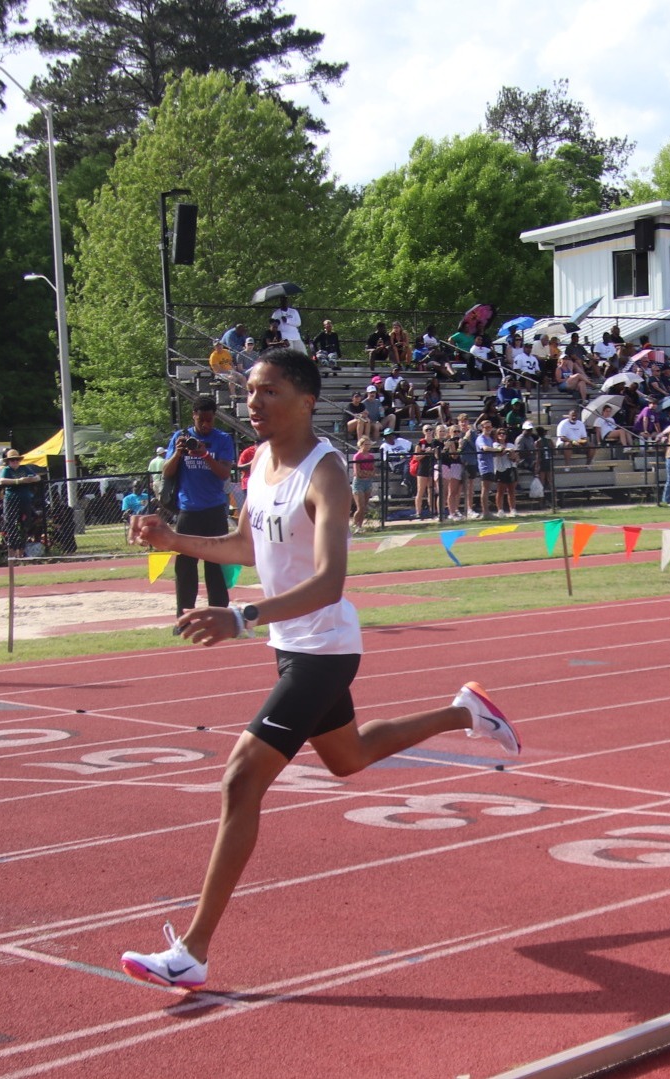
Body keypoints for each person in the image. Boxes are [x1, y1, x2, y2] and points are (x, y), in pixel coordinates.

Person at [119, 347, 519, 990]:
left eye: (269, 391)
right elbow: (245, 545)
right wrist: (174, 541)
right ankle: (463, 712)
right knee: (348, 757)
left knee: (240, 779)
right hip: (291, 644)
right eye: (250, 390)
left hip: (325, 648)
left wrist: (242, 616)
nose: (253, 402)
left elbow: (331, 582)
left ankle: (193, 950)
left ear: (306, 400)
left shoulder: (326, 472)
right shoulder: (258, 463)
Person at [163, 396, 237, 616]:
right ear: (193, 416)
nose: (205, 424)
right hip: (188, 511)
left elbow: (224, 473)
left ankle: (219, 614)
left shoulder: (222, 439)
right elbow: (167, 471)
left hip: (214, 510)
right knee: (185, 568)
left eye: (209, 420)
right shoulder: (180, 437)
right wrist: (178, 453)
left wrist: (205, 454)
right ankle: (184, 617)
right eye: (201, 419)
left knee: (216, 566)